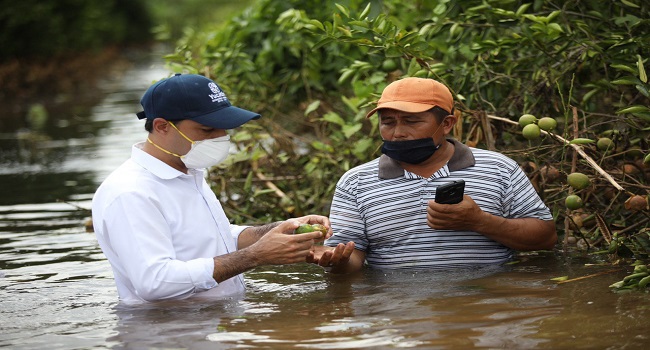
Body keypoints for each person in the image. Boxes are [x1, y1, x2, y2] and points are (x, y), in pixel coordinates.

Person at [92, 73, 330, 303]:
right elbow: (155, 283)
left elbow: (215, 237)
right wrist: (256, 256)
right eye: (207, 130)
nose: (221, 137)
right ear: (162, 126)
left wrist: (280, 230)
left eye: (224, 128)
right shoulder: (130, 192)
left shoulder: (187, 171)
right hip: (166, 333)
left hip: (212, 323)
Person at [309, 77, 557, 273]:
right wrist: (337, 263)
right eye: (388, 122)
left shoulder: (499, 168)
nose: (398, 133)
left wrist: (479, 221)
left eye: (411, 121)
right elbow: (351, 258)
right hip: (399, 317)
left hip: (483, 307)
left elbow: (545, 237)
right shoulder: (356, 182)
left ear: (447, 123)